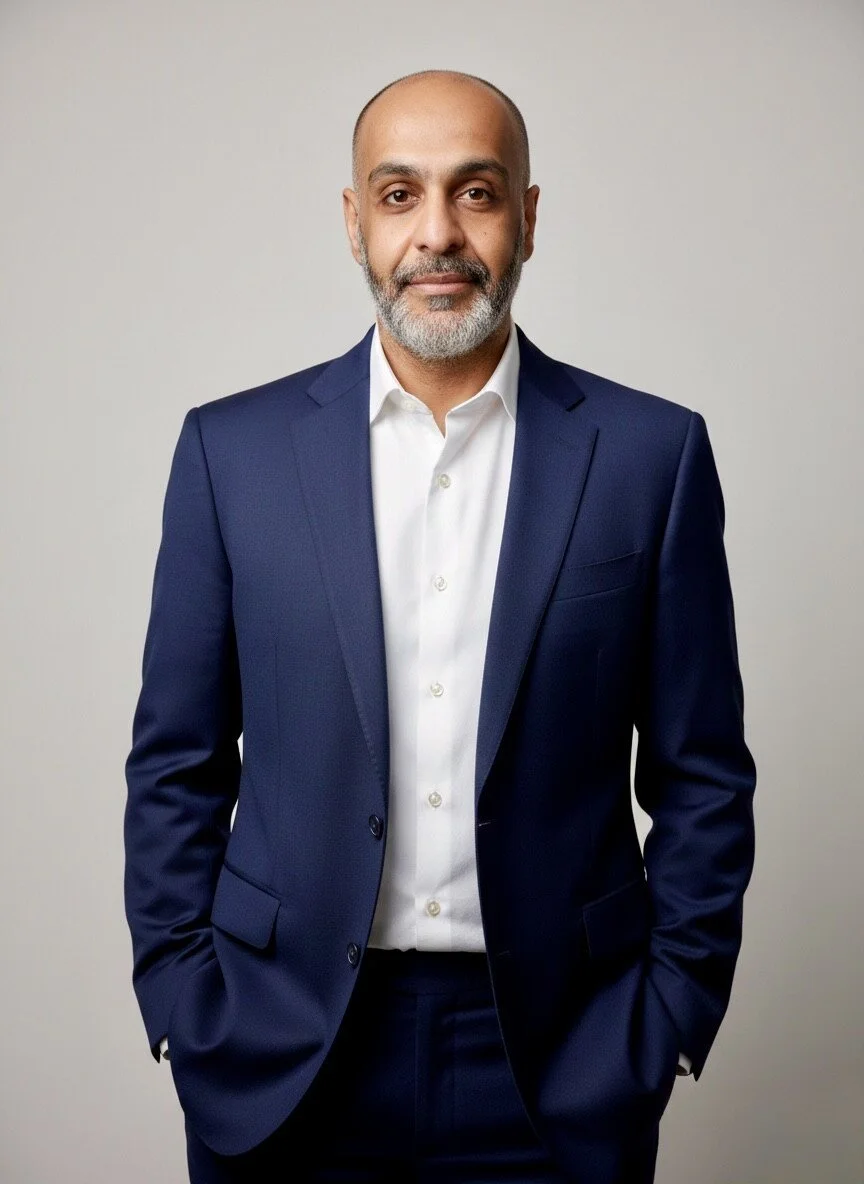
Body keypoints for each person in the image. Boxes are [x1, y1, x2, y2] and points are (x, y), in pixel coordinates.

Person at [124, 68, 757, 1183]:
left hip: (561, 1060)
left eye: (476, 191)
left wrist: (666, 1015)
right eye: (400, 193)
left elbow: (702, 773)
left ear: (526, 216)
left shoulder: (651, 457)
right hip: (280, 1050)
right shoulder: (234, 454)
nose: (438, 232)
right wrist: (186, 994)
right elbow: (176, 761)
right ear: (356, 220)